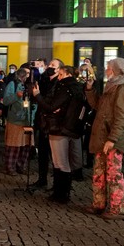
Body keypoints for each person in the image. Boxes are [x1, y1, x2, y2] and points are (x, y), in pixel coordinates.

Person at [83, 57, 124, 220]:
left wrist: (112, 139)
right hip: (103, 136)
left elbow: (122, 116)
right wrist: (90, 89)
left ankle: (118, 208)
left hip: (111, 138)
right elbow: (99, 106)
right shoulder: (113, 84)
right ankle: (99, 204)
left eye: (107, 67)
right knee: (99, 172)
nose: (105, 70)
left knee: (114, 173)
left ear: (115, 70)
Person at [31, 65, 86, 204]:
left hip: (59, 128)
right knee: (64, 161)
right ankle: (62, 192)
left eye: (60, 74)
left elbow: (51, 106)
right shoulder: (79, 87)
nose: (58, 77)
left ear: (67, 74)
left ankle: (61, 194)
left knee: (60, 162)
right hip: (72, 128)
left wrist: (37, 95)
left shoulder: (64, 87)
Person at [30, 58, 62, 190]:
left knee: (54, 156)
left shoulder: (59, 84)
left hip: (53, 124)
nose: (49, 67)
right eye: (49, 64)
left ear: (59, 70)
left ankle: (57, 183)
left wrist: (37, 95)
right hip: (41, 122)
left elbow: (50, 104)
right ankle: (42, 179)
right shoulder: (44, 80)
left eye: (53, 65)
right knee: (42, 153)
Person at [2, 67, 33, 175]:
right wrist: (16, 95)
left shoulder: (31, 85)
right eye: (26, 73)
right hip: (15, 120)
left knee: (25, 146)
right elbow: (5, 101)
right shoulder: (12, 84)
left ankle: (21, 166)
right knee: (13, 145)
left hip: (28, 120)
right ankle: (10, 167)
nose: (27, 76)